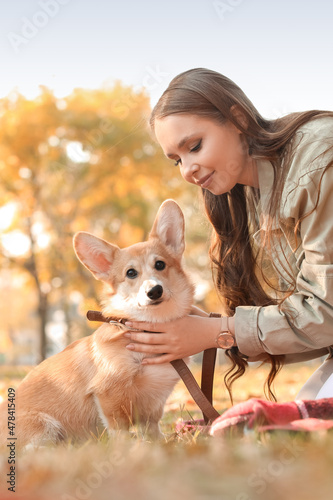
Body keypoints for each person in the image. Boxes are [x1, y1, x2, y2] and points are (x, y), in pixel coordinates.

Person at [123, 67, 333, 401]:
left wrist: (219, 332)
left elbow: (326, 312)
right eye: (176, 160)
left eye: (194, 146)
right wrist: (209, 329)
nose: (187, 170)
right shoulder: (253, 196)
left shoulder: (318, 159)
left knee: (304, 418)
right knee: (298, 415)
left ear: (238, 121)